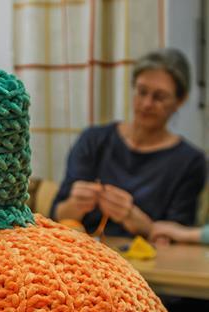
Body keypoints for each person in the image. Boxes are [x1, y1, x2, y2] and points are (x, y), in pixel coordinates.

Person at [52, 48, 206, 238]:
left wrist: (134, 218)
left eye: (159, 97)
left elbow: (177, 235)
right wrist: (75, 204)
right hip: (82, 255)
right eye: (141, 92)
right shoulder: (93, 140)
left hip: (148, 262)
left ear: (179, 101)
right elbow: (56, 215)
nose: (147, 103)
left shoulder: (190, 162)